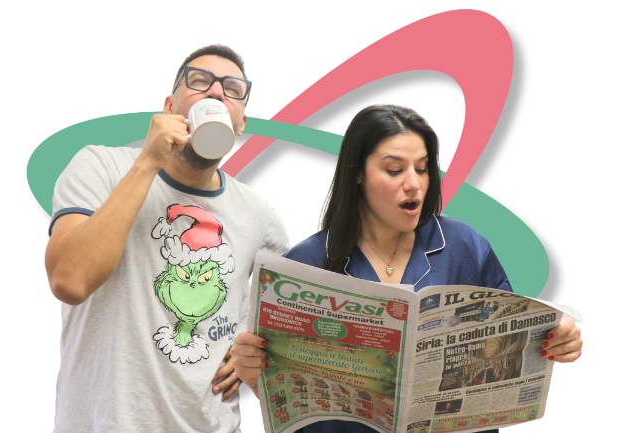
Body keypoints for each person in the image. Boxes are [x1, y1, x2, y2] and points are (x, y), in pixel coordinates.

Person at [231, 105, 583, 433]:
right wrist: (254, 378)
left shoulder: (466, 245)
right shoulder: (306, 263)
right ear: (357, 174)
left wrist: (555, 337)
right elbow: (292, 404)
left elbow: (515, 334)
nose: (413, 183)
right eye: (395, 170)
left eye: (423, 168)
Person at [45, 44, 289, 432]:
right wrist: (148, 162)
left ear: (241, 123)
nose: (215, 92)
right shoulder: (100, 166)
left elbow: (290, 312)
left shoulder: (257, 214)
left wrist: (252, 349)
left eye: (232, 89)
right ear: (170, 106)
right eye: (200, 81)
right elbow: (70, 280)